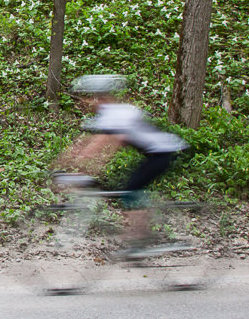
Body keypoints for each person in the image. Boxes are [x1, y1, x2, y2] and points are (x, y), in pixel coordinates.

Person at [55, 74, 188, 254]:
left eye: (89, 98)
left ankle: (139, 241)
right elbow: (87, 144)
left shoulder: (115, 115)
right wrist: (62, 164)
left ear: (100, 98)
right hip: (154, 152)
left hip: (162, 152)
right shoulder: (110, 114)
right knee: (129, 189)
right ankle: (140, 236)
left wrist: (84, 171)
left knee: (131, 189)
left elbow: (104, 148)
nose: (86, 103)